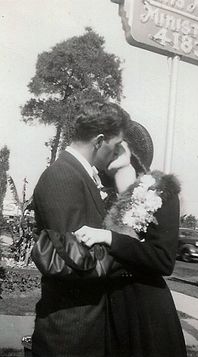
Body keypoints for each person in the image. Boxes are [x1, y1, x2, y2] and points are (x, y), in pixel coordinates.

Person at [75, 121, 187, 357]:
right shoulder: (101, 198)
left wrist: (110, 238)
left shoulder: (161, 193)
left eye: (118, 144)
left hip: (146, 310)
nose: (109, 149)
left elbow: (163, 261)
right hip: (109, 307)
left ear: (129, 151)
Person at [31, 101, 131, 357]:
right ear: (99, 140)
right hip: (71, 336)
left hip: (86, 330)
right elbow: (78, 259)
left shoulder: (81, 175)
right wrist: (130, 249)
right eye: (116, 145)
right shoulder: (62, 176)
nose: (118, 152)